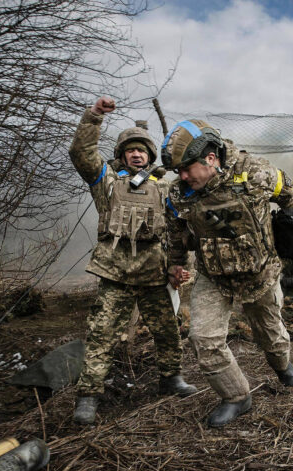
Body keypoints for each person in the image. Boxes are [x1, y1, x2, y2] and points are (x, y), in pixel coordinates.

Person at [161, 120, 293, 427]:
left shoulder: (256, 173)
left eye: (187, 169)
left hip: (261, 274)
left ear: (210, 158)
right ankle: (237, 397)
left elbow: (290, 195)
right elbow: (175, 232)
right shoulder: (179, 194)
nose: (183, 177)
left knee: (272, 338)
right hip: (214, 277)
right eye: (179, 172)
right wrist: (176, 264)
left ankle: (282, 365)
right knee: (203, 338)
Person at [68, 97, 197, 425]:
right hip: (115, 274)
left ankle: (171, 378)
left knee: (168, 329)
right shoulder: (106, 182)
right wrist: (94, 116)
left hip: (154, 273)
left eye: (142, 149)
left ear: (150, 155)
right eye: (130, 149)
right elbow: (82, 154)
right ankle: (89, 395)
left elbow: (176, 227)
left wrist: (177, 266)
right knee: (102, 334)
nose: (137, 153)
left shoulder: (164, 187)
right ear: (122, 154)